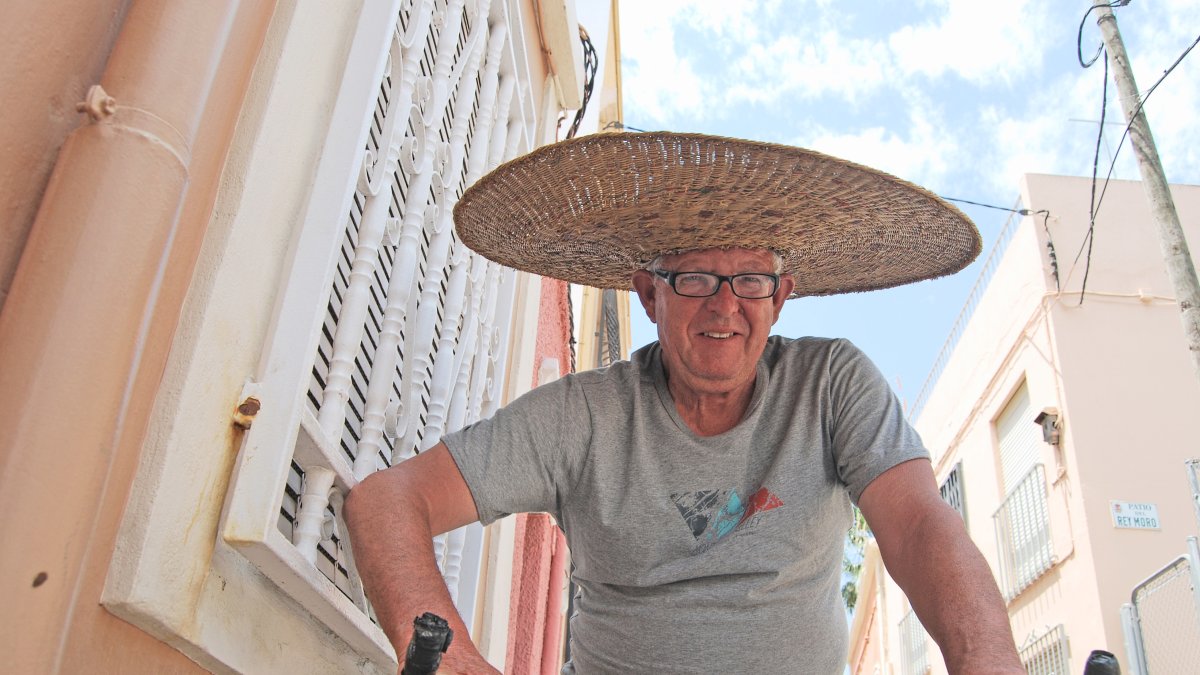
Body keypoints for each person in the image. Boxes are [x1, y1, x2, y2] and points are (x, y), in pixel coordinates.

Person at [345, 132, 1024, 674]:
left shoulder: (832, 382)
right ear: (649, 294)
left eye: (750, 280)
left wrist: (988, 660)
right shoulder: (585, 415)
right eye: (696, 277)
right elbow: (384, 500)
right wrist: (450, 652)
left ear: (781, 295)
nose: (725, 305)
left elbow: (917, 527)